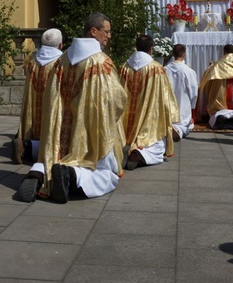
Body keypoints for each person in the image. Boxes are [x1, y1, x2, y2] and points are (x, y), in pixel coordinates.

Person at [15, 12, 127, 203]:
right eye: (106, 32)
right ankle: (70, 176)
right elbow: (116, 100)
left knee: (52, 156)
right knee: (105, 173)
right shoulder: (101, 62)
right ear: (94, 31)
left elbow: (50, 96)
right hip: (87, 130)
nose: (109, 36)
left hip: (60, 130)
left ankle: (37, 173)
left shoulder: (62, 59)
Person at [119, 34, 180, 170]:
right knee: (156, 146)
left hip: (126, 123)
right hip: (147, 120)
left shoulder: (124, 68)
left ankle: (127, 148)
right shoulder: (156, 69)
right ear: (151, 49)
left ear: (136, 47)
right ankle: (138, 154)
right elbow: (165, 96)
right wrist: (170, 119)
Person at [11, 28, 63, 164]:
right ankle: (32, 149)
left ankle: (26, 144)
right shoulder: (61, 62)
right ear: (60, 45)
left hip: (34, 108)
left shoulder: (32, 60)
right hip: (51, 104)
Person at [197, 44, 233, 129]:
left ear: (225, 52)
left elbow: (209, 75)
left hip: (222, 98)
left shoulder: (219, 64)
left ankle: (222, 118)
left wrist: (211, 66)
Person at [164, 44, 198, 139]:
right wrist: (192, 105)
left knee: (170, 119)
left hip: (168, 104)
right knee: (184, 123)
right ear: (183, 55)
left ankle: (170, 128)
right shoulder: (188, 71)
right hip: (184, 103)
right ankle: (178, 131)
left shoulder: (164, 70)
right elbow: (194, 91)